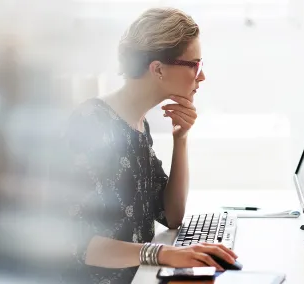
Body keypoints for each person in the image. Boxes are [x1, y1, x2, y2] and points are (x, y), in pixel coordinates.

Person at [52, 7, 238, 284]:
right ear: (158, 69)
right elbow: (74, 242)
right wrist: (162, 253)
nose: (202, 76)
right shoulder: (92, 123)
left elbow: (172, 215)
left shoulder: (138, 124)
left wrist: (181, 139)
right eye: (195, 64)